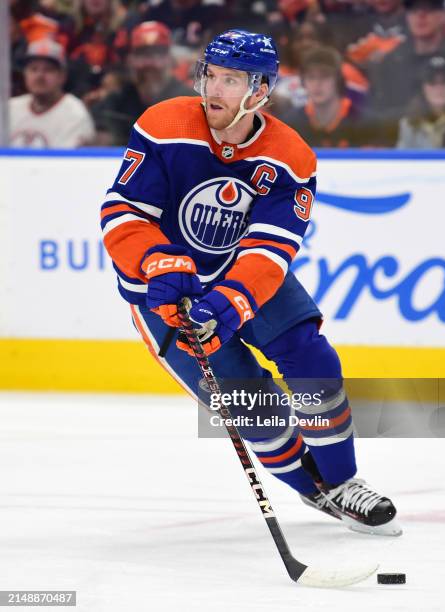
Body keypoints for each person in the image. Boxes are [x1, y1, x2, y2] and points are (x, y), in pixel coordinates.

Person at [101, 29, 401, 536]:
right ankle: (315, 488)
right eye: (210, 75)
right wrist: (157, 263)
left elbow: (270, 249)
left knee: (312, 358)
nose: (212, 89)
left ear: (260, 90)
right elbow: (123, 213)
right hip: (162, 294)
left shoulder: (290, 156)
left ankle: (345, 481)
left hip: (247, 279)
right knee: (253, 407)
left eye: (231, 80)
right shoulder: (164, 125)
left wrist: (227, 304)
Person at [92, 20, 194, 145]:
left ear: (169, 58)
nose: (150, 63)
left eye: (158, 54)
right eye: (142, 55)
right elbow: (102, 146)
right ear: (130, 60)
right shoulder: (118, 101)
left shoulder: (190, 102)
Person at [281, 46, 377, 147]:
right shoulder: (290, 124)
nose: (317, 84)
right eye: (311, 77)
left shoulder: (366, 123)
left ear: (338, 80)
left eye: (325, 76)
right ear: (303, 82)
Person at [370, 0, 445, 120]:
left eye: (429, 8)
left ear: (444, 15)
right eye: (413, 9)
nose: (420, 15)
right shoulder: (390, 63)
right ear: (406, 16)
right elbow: (377, 115)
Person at [9, 39, 95, 148]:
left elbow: (66, 162)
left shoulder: (75, 114)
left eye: (48, 70)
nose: (39, 76)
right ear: (25, 74)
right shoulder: (9, 108)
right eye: (33, 69)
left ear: (62, 76)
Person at [396, 54, 445, 147]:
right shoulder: (409, 125)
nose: (439, 88)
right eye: (431, 81)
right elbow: (401, 160)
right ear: (422, 88)